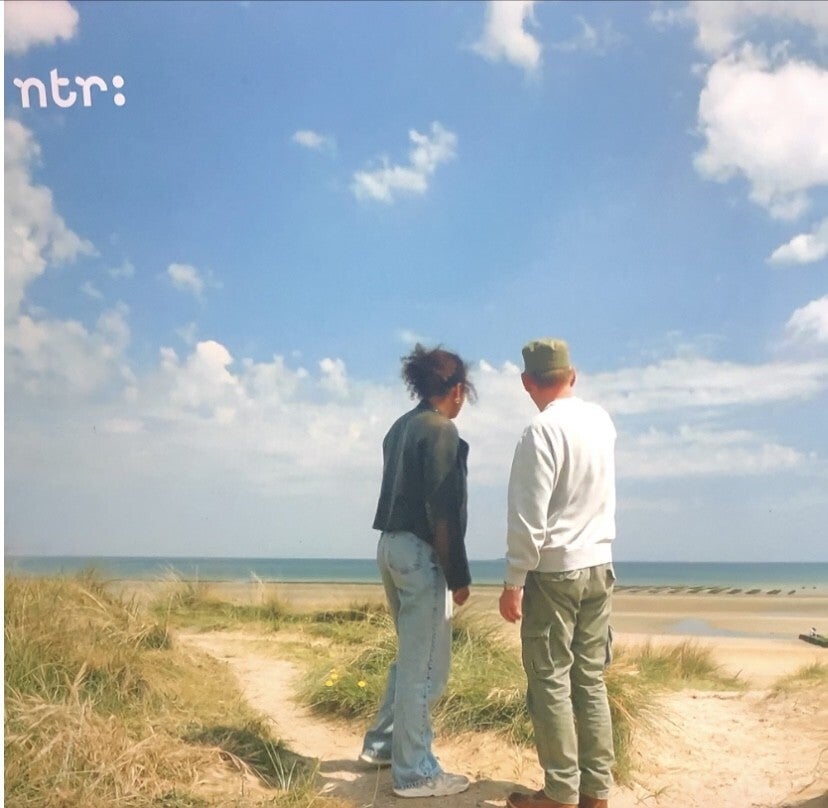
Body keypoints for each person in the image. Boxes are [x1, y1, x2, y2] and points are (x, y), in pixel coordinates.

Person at [500, 338, 617, 808]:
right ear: (572, 375)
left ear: (527, 382)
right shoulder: (601, 421)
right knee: (589, 679)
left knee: (549, 680)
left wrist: (513, 581)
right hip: (599, 564)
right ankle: (596, 791)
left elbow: (529, 517)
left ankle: (560, 792)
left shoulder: (540, 431)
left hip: (555, 571)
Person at [359, 344, 474, 798]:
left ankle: (382, 746)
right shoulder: (441, 429)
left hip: (389, 546)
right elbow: (442, 510)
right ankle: (416, 773)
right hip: (420, 553)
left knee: (411, 657)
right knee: (426, 669)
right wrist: (459, 576)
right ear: (458, 390)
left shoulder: (400, 427)